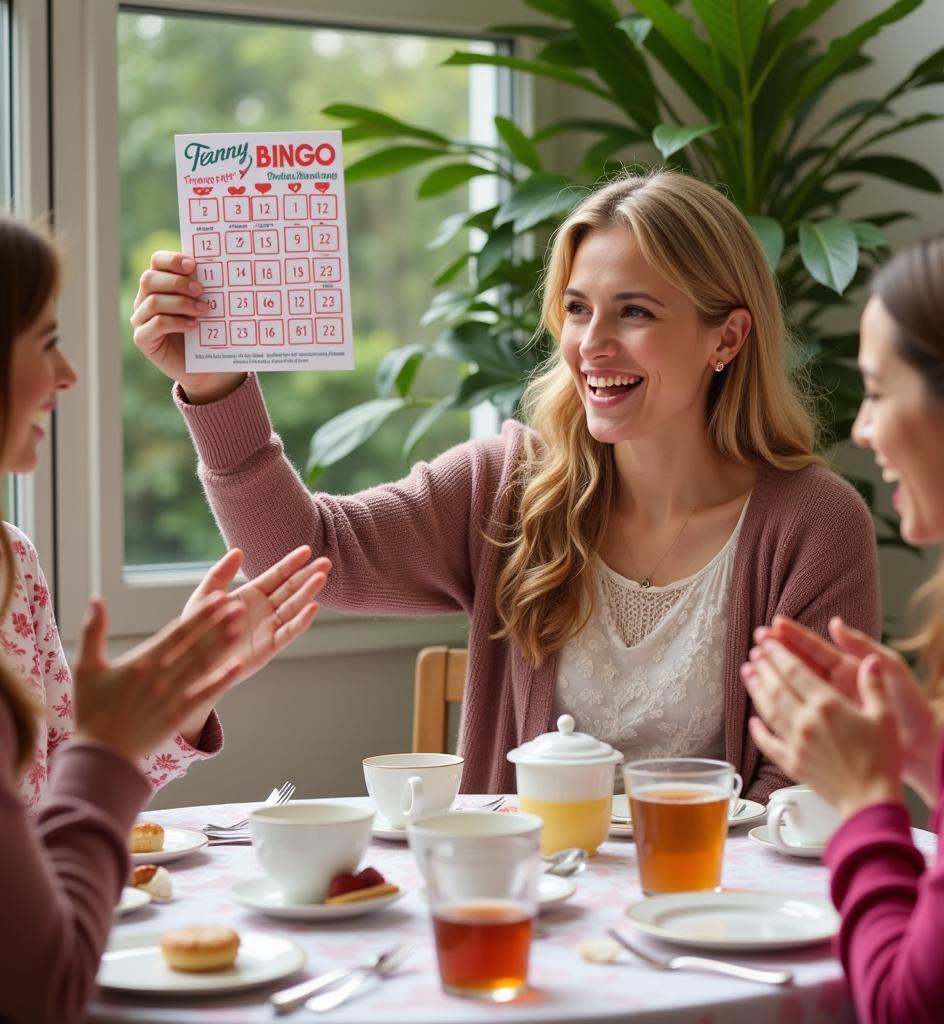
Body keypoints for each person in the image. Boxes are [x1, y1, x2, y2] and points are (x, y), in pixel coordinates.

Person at [132, 169, 880, 798]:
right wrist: (216, 387)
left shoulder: (812, 526)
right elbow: (304, 553)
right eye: (579, 309)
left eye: (636, 312)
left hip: (708, 916)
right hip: (515, 916)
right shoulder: (508, 485)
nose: (592, 344)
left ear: (727, 336)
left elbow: (808, 788)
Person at [0, 215, 324, 1022]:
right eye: (45, 342)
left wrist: (183, 697)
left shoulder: (13, 561)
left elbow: (60, 802)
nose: (68, 373)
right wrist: (111, 744)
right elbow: (39, 985)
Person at [742, 219, 944, 1021]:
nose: (861, 432)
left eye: (875, 391)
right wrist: (936, 757)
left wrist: (867, 802)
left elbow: (913, 1012)